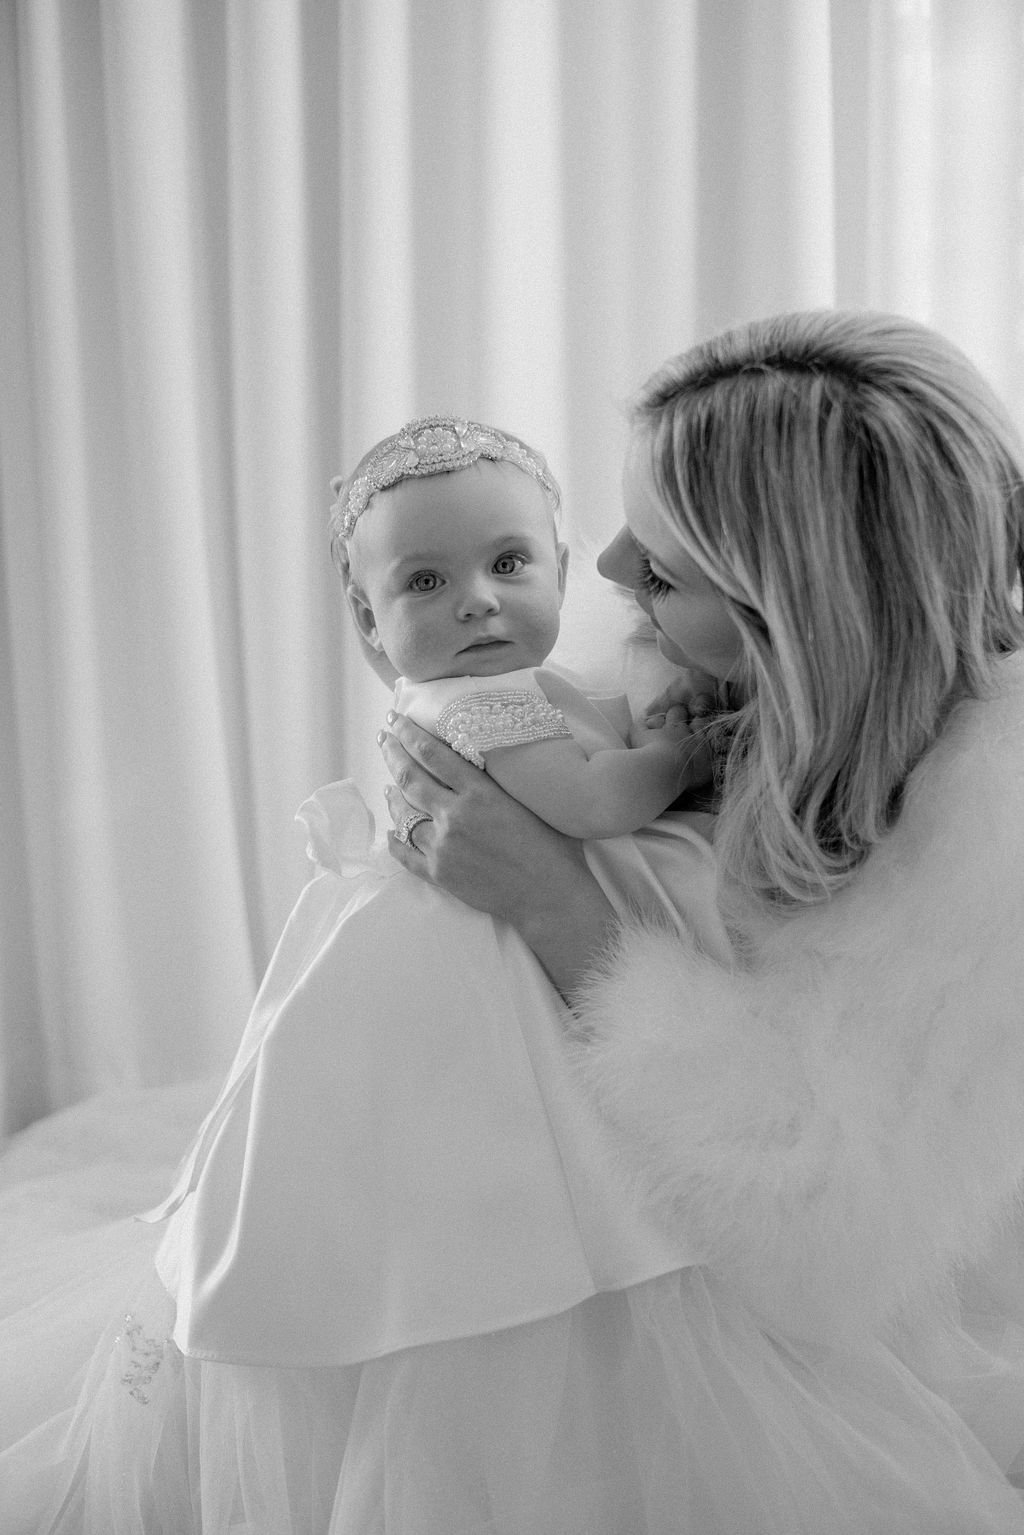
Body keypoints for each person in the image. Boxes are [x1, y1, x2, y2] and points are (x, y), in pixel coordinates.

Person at [9, 416, 725, 1534]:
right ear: (368, 622)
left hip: (471, 948)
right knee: (500, 1177)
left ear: (558, 562)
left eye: (508, 563)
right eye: (426, 581)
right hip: (467, 967)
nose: (477, 602)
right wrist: (678, 755)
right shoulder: (479, 703)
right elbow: (594, 803)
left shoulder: (526, 685)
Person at [374, 312, 1024, 1530]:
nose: (608, 567)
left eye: (664, 568)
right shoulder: (691, 679)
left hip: (898, 1318)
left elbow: (823, 1228)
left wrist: (553, 900)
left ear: (798, 613)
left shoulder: (992, 839)